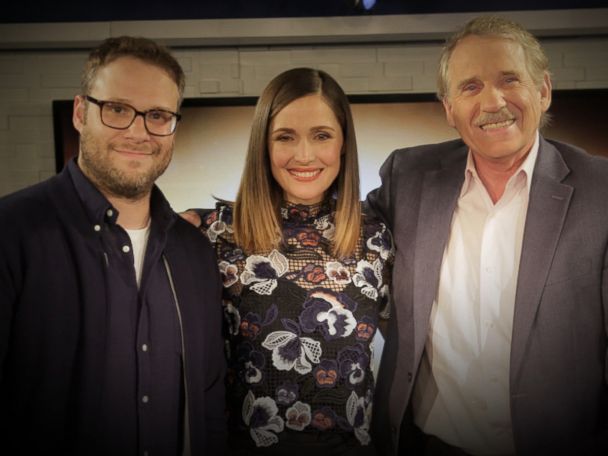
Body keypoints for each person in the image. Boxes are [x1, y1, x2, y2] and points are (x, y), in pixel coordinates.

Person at [367, 15, 608, 456]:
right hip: (428, 444)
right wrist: (209, 220)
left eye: (510, 79)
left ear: (544, 90)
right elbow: (334, 225)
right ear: (449, 108)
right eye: (470, 86)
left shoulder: (601, 192)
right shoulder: (410, 177)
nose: (493, 100)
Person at [0, 36, 226, 455]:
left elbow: (208, 399)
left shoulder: (194, 252)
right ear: (81, 112)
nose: (139, 131)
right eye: (118, 109)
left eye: (157, 115)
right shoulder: (11, 234)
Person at [184, 67, 393, 455]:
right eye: (285, 137)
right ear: (263, 144)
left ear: (343, 143)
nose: (304, 155)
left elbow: (408, 341)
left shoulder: (376, 237)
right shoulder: (215, 234)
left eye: (322, 135)